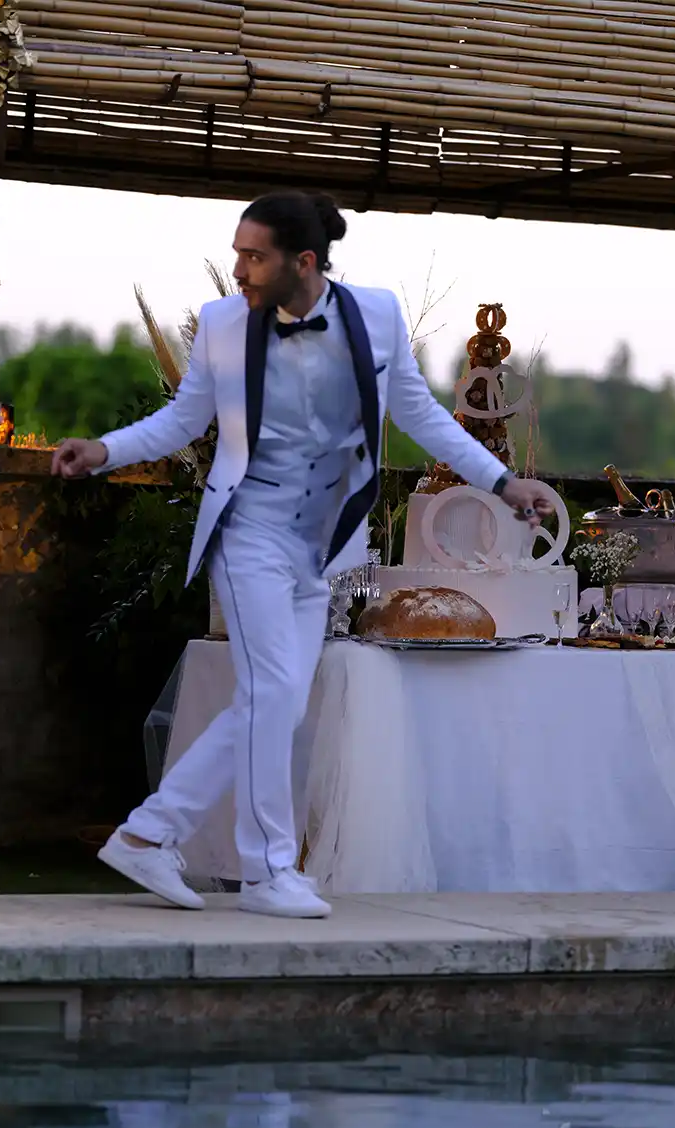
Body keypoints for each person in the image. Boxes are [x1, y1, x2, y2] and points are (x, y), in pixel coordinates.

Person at [53, 191, 557, 920]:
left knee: (278, 702)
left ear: (305, 262)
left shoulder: (377, 315)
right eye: (236, 253)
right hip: (249, 532)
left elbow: (418, 417)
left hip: (320, 544)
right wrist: (104, 451)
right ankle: (266, 871)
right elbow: (183, 419)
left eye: (253, 256)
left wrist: (503, 482)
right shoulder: (224, 323)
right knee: (271, 692)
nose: (239, 269)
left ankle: (148, 833)